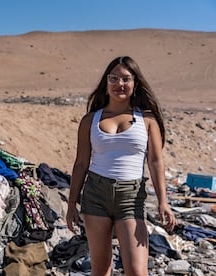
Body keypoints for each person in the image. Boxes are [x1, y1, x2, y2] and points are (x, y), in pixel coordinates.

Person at [66, 56, 176, 276]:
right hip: (95, 195)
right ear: (106, 83)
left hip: (131, 197)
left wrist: (164, 201)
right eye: (113, 78)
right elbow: (80, 164)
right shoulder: (90, 120)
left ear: (135, 84)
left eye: (126, 79)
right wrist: (71, 204)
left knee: (137, 270)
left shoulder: (147, 120)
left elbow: (155, 162)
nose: (120, 84)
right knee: (100, 270)